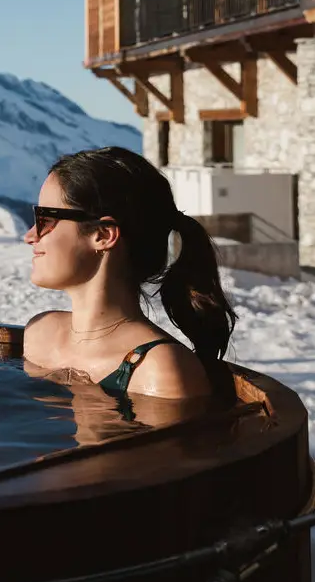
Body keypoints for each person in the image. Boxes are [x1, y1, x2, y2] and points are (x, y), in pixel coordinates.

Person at [22, 146, 236, 403]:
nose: (31, 235)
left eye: (45, 219)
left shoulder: (159, 370)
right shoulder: (39, 335)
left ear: (103, 235)